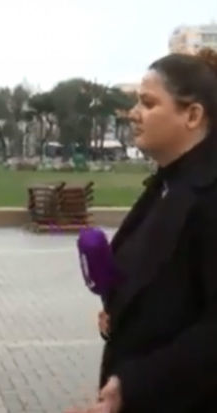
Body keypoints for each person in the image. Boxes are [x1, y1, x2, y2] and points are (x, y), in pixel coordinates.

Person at [67, 48, 217, 413]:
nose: (133, 113)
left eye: (148, 103)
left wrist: (133, 386)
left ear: (192, 115)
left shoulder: (209, 195)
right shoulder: (166, 184)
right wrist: (120, 312)